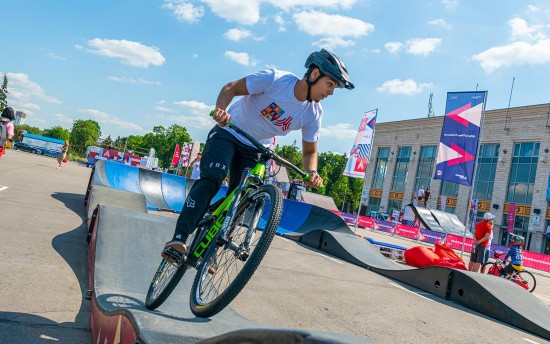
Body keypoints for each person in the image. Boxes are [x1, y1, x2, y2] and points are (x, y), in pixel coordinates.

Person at [162, 48, 354, 260]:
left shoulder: (313, 114)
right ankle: (179, 238)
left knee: (243, 197)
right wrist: (221, 110)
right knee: (212, 178)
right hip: (229, 132)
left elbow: (310, 151)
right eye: (330, 84)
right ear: (315, 74)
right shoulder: (275, 80)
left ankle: (212, 248)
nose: (331, 92)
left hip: (256, 148)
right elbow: (231, 88)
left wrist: (313, 171)